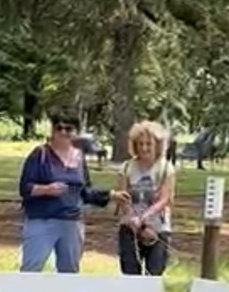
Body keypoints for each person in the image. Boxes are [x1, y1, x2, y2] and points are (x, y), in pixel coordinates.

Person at [18, 111, 128, 273]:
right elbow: (25, 189)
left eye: (68, 129)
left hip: (71, 223)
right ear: (52, 130)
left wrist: (111, 195)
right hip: (41, 220)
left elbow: (85, 192)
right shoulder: (40, 154)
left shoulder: (79, 158)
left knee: (70, 272)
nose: (63, 132)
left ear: (76, 132)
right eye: (58, 128)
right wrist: (46, 189)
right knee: (31, 269)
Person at [115, 121, 175, 276]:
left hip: (158, 228)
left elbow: (165, 199)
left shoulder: (166, 168)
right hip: (130, 227)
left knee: (154, 273)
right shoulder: (126, 167)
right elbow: (122, 196)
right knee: (130, 274)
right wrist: (133, 219)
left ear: (158, 145)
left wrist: (144, 219)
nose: (144, 148)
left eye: (149, 144)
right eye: (140, 144)